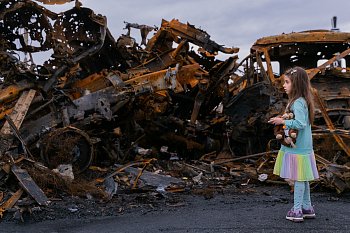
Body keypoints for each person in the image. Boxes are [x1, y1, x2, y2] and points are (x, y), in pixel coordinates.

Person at [268, 66, 319, 222]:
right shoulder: (303, 101)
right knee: (302, 178)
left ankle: (297, 210)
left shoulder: (297, 102)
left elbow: (300, 123)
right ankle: (307, 207)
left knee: (298, 178)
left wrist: (282, 120)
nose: (284, 85)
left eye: (287, 82)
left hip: (298, 148)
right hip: (304, 147)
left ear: (296, 84)